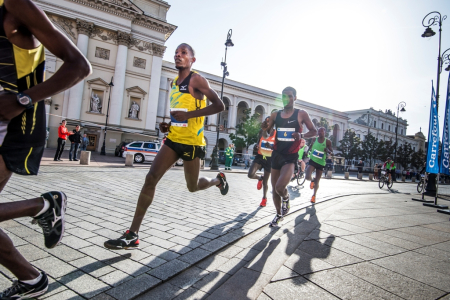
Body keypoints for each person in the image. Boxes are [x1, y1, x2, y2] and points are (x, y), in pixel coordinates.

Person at [0, 0, 91, 298]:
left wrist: (22, 100)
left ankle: (42, 206)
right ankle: (30, 279)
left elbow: (80, 65)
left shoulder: (15, 6)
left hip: (13, 126)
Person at [104, 43, 227, 250]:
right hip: (173, 139)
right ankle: (132, 234)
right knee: (150, 178)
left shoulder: (196, 79)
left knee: (192, 186)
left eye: (184, 53)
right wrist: (168, 125)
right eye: (176, 53)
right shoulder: (173, 83)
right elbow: (179, 111)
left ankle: (217, 180)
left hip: (192, 143)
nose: (178, 56)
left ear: (192, 60)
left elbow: (219, 105)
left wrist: (188, 115)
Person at [261, 86, 317, 227]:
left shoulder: (301, 114)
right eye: (284, 96)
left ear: (295, 98)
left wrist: (301, 135)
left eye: (289, 96)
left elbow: (314, 131)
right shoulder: (275, 115)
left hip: (290, 157)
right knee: (274, 189)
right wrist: (264, 129)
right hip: (276, 155)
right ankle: (279, 215)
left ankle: (286, 198)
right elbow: (267, 135)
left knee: (280, 187)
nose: (286, 99)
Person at [248, 117, 276, 207]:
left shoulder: (276, 133)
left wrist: (271, 147)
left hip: (270, 159)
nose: (267, 123)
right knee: (250, 174)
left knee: (266, 183)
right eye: (266, 121)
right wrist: (256, 146)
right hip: (260, 156)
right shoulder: (261, 131)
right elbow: (258, 142)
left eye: (269, 121)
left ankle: (264, 198)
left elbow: (278, 149)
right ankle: (259, 178)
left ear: (273, 123)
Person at [305, 127, 333, 203]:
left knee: (318, 181)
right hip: (313, 160)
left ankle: (314, 196)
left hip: (321, 163)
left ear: (325, 133)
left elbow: (331, 152)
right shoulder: (314, 139)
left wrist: (327, 150)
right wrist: (307, 151)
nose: (319, 133)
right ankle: (312, 180)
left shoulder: (327, 142)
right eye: (318, 131)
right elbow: (310, 145)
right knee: (307, 176)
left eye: (321, 132)